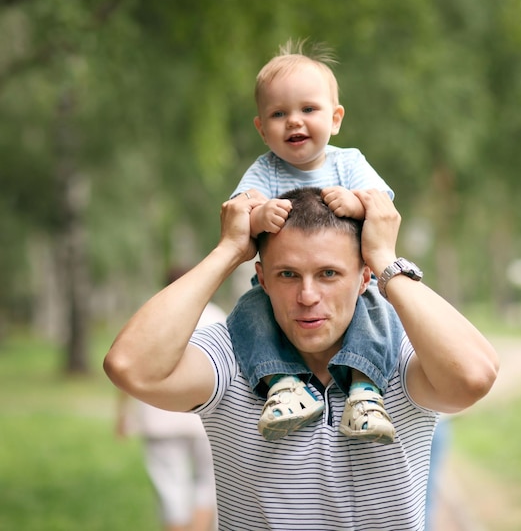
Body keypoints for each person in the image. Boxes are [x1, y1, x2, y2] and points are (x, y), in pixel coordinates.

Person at [104, 186, 499, 531]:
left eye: (328, 273)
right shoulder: (229, 354)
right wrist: (226, 252)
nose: (308, 296)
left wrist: (384, 258)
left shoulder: (400, 352)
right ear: (262, 278)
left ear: (364, 279)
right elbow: (129, 367)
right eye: (288, 275)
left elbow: (474, 376)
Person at [229, 39, 402, 443]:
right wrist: (258, 215)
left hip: (349, 280)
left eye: (308, 109)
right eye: (278, 113)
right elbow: (240, 210)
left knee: (378, 312)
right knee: (249, 313)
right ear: (261, 128)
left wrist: (356, 206)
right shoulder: (265, 170)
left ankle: (364, 388)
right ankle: (283, 383)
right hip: (280, 280)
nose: (294, 121)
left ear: (335, 118)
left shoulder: (348, 162)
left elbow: (382, 206)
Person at [115, 268, 226, 531]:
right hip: (206, 418)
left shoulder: (150, 317)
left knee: (170, 488)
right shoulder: (218, 316)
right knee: (207, 484)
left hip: (159, 417)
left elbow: (127, 365)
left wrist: (122, 413)